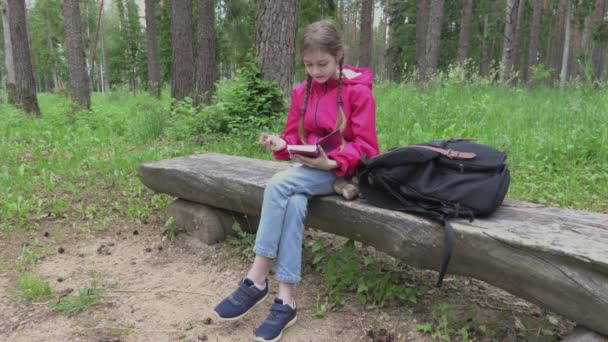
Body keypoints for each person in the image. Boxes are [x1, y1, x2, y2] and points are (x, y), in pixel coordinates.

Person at [213, 20, 379, 342]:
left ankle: (256, 278)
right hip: (308, 171)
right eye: (308, 64)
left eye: (323, 64)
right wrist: (282, 145)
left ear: (339, 56)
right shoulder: (302, 92)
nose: (315, 71)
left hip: (339, 169)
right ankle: (285, 299)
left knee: (278, 185)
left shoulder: (358, 92)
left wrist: (331, 161)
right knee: (293, 201)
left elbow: (367, 147)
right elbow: (293, 136)